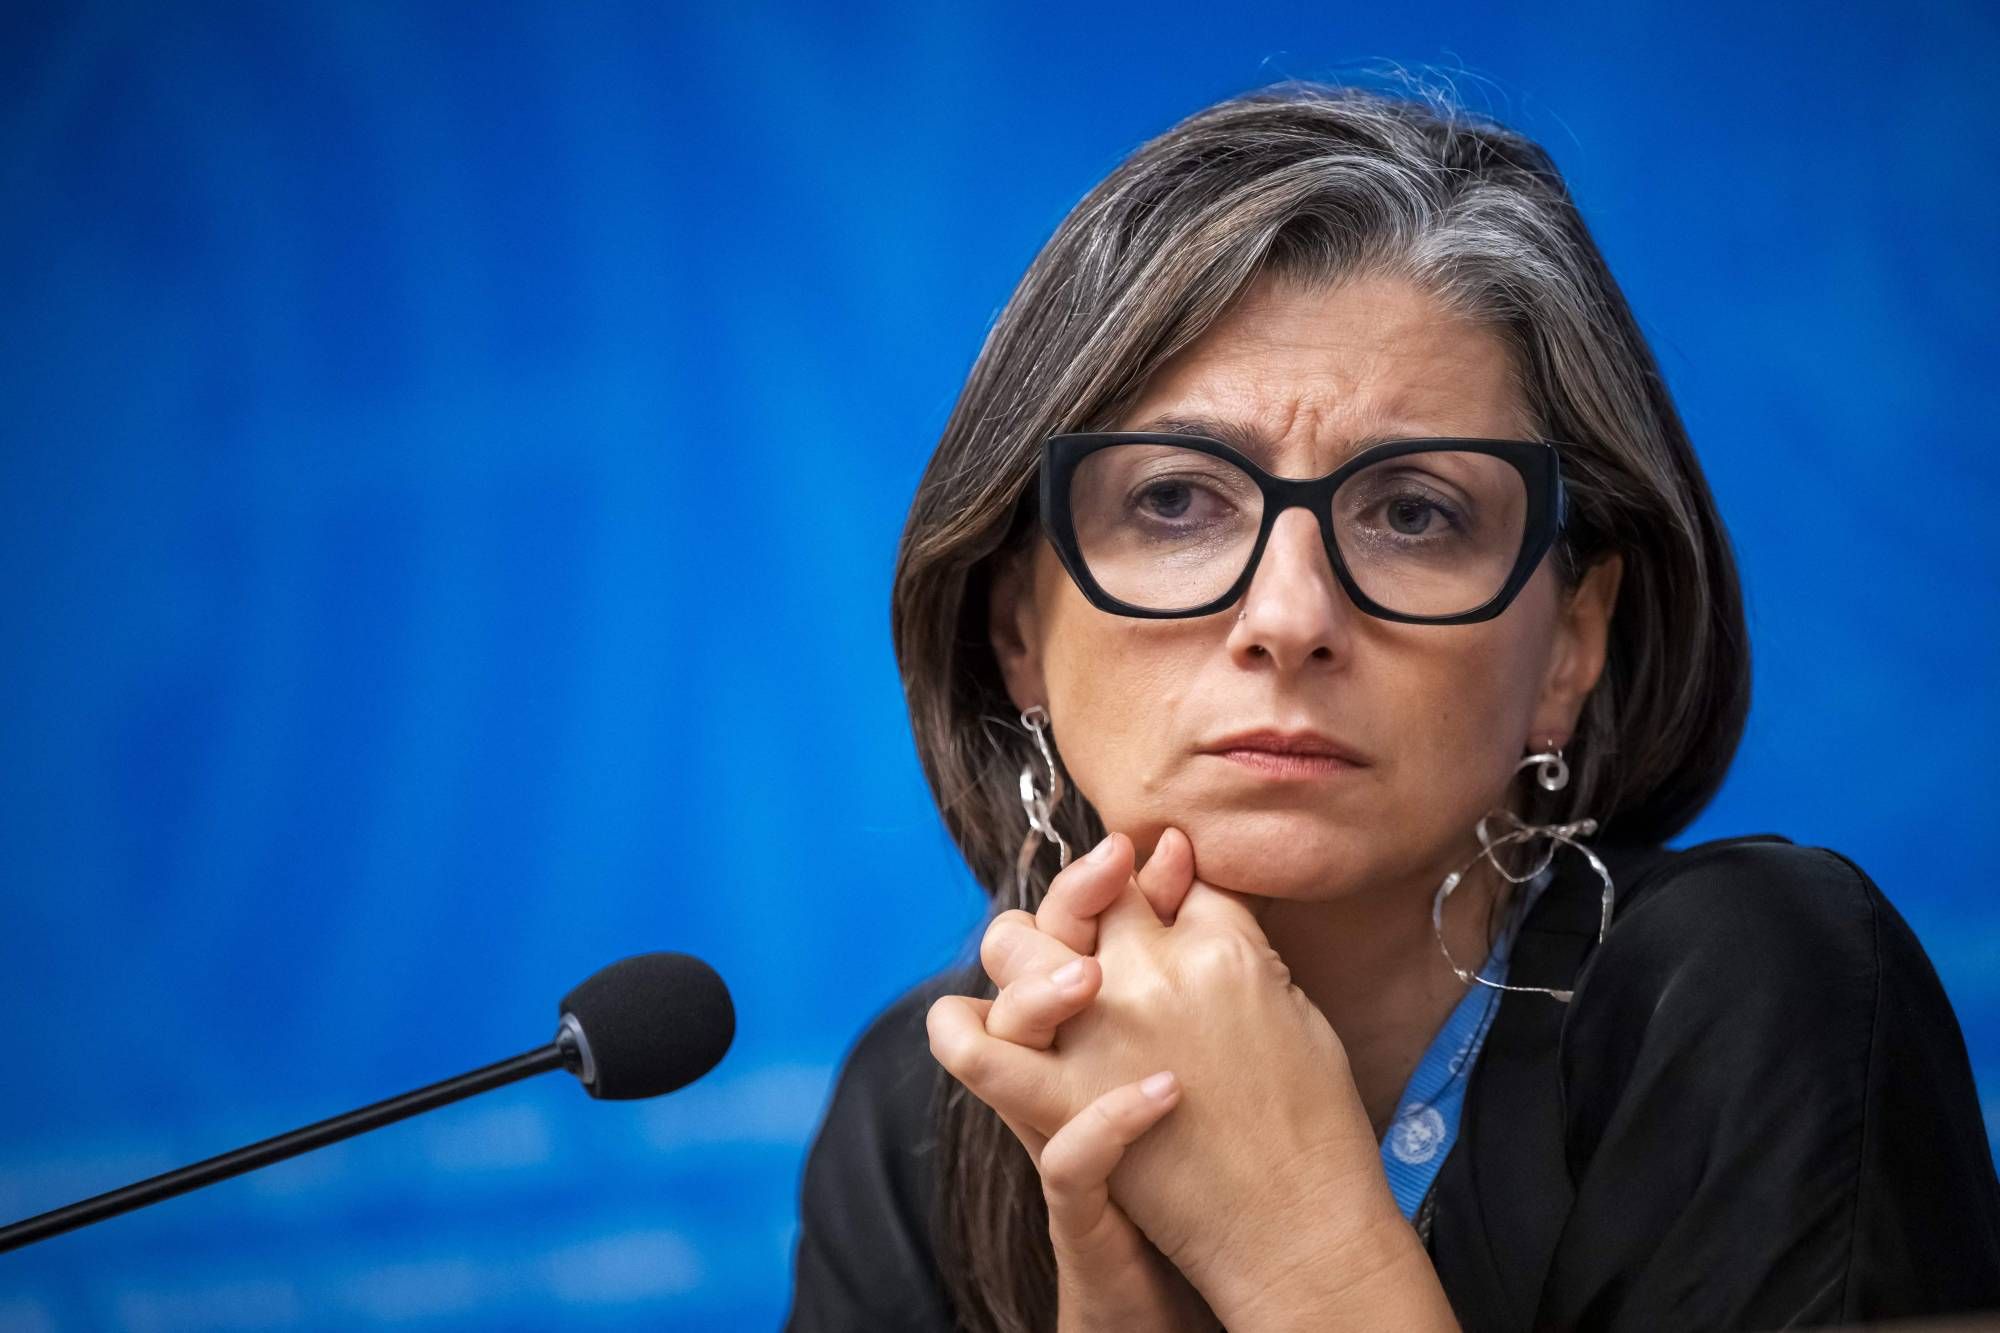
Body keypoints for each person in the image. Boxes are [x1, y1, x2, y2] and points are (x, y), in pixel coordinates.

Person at [784, 80, 2000, 1331]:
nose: (1287, 616)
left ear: (1568, 644)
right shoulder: (920, 1113)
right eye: (1174, 501)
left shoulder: (1754, 990)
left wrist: (1294, 1247)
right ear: (1015, 632)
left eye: (1414, 513)